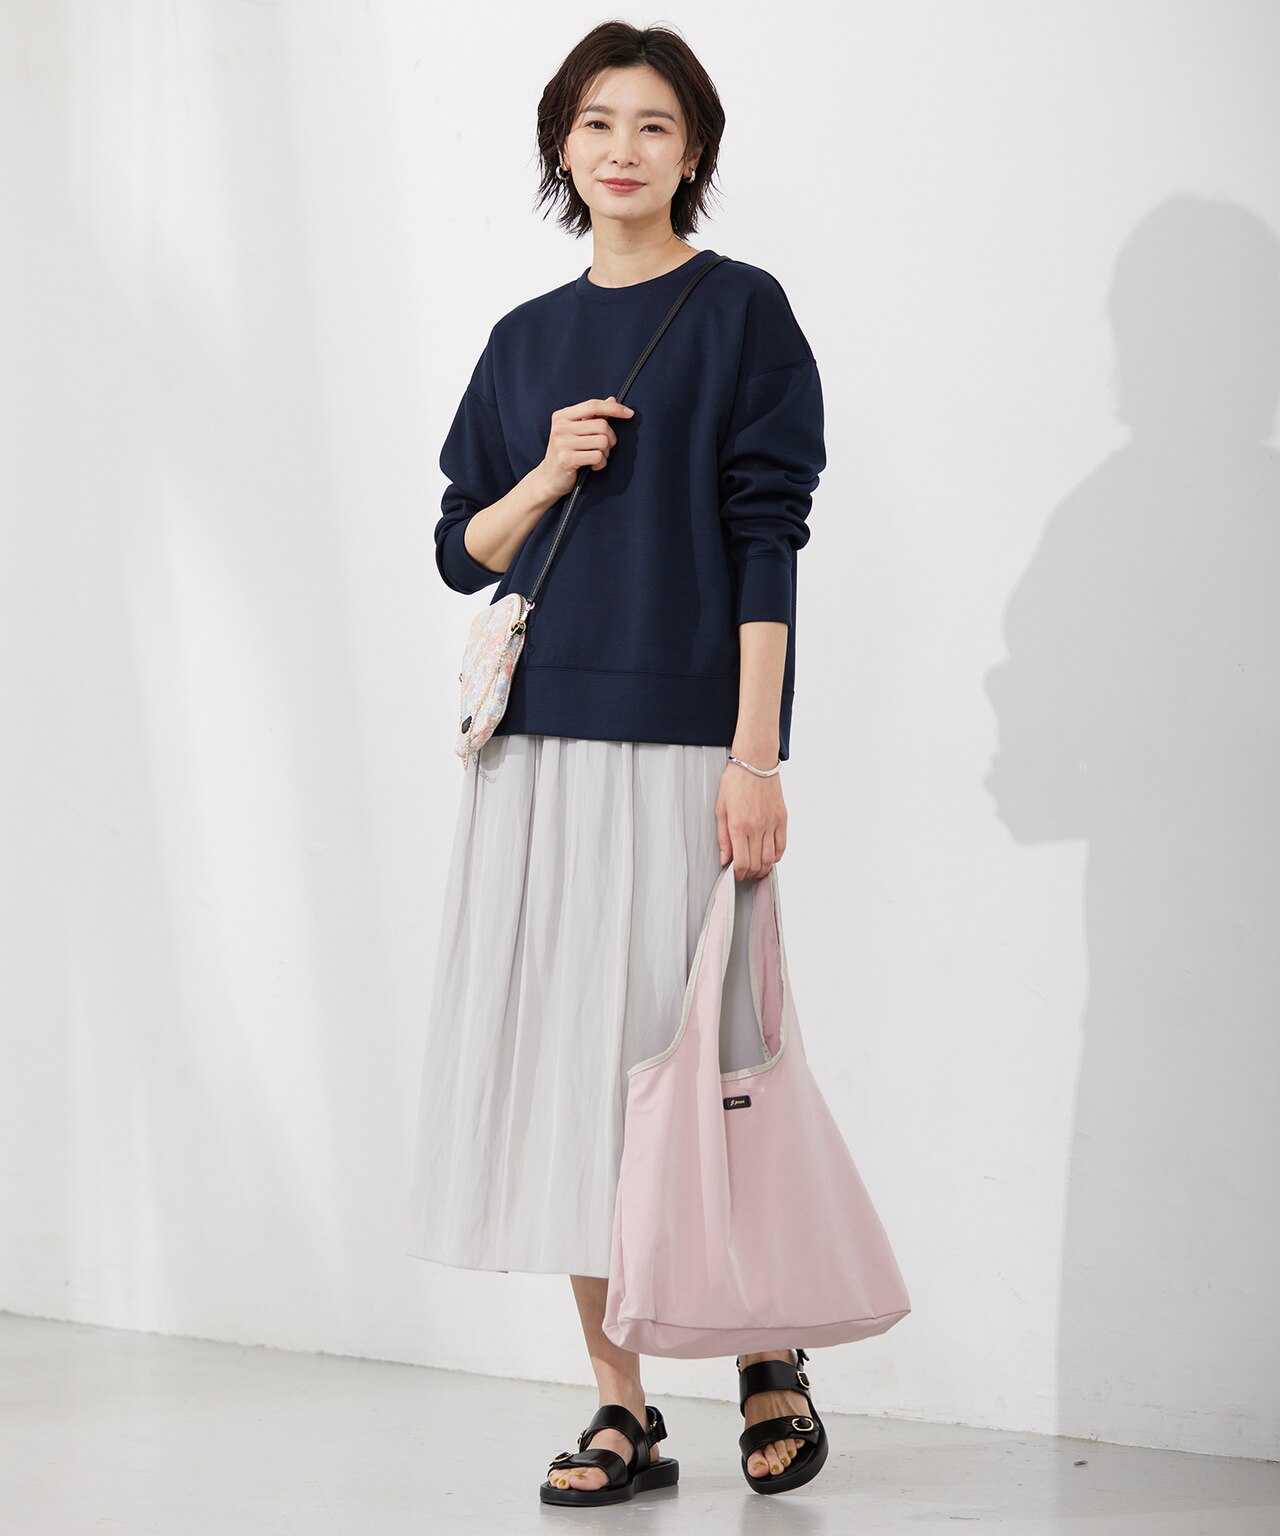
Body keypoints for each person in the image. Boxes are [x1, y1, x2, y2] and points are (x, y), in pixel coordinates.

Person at [404, 20, 828, 1505]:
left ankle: (766, 1352)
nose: (623, 149)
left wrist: (756, 756)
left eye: (653, 124)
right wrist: (545, 468)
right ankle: (619, 1404)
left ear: (691, 150)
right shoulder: (523, 339)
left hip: (688, 746)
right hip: (532, 751)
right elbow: (462, 548)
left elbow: (769, 541)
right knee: (577, 1076)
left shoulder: (743, 312)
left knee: (703, 1060)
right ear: (561, 147)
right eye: (596, 123)